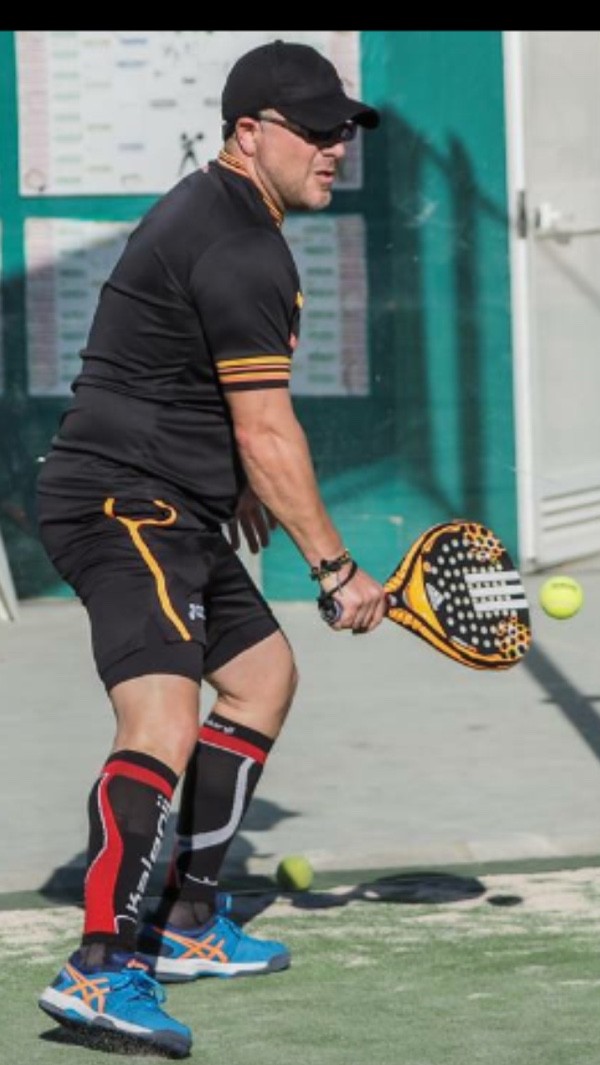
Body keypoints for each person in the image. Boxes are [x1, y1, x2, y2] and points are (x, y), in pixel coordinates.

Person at [36, 38, 386, 1058]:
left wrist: (229, 479)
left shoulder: (228, 219)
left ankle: (187, 919)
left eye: (342, 130)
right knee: (161, 718)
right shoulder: (239, 245)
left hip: (174, 499)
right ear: (249, 133)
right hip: (121, 503)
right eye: (313, 131)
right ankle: (101, 966)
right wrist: (335, 570)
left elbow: (183, 374)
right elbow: (268, 429)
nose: (334, 148)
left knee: (262, 677)